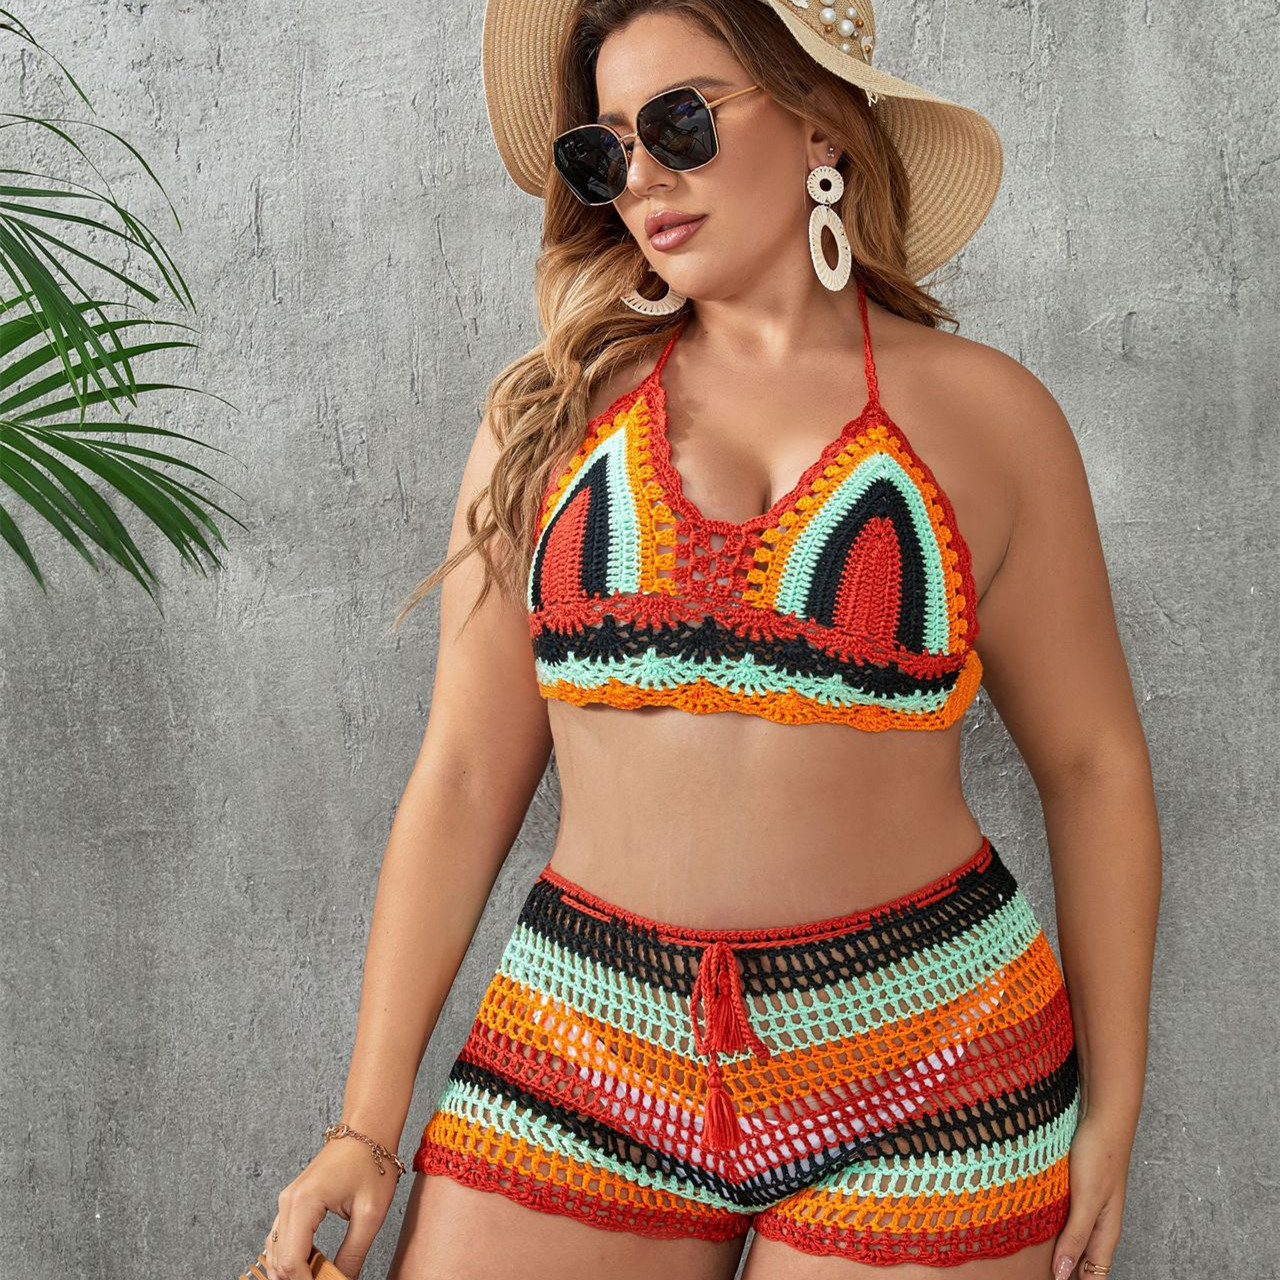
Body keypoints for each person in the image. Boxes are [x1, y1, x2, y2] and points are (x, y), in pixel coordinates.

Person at [262, 1, 1160, 1277]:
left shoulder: (992, 416)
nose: (640, 177)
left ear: (818, 124)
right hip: (585, 1041)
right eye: (604, 150)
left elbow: (1091, 765)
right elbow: (461, 775)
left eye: (678, 123)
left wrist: (1114, 1103)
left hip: (934, 1057)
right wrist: (365, 1125)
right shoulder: (546, 419)